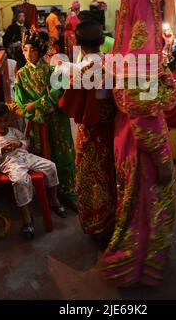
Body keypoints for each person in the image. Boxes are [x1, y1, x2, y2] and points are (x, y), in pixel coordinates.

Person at [102, 0, 176, 286]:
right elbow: (143, 107)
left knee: (133, 207)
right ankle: (137, 269)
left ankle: (133, 265)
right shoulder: (142, 40)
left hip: (127, 138)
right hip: (144, 144)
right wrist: (163, 156)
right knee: (149, 209)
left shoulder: (125, 35)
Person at [59, 20, 116, 240]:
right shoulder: (116, 65)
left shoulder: (81, 72)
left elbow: (67, 105)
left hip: (91, 134)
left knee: (90, 177)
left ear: (79, 45)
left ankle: (96, 224)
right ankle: (115, 222)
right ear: (103, 41)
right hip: (115, 132)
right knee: (112, 175)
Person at [14, 27, 76, 210]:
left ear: (40, 51)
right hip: (38, 124)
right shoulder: (21, 75)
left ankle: (69, 193)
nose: (28, 54)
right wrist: (34, 110)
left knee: (64, 156)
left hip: (58, 120)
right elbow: (20, 104)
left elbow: (60, 90)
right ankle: (49, 197)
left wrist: (37, 105)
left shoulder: (52, 69)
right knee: (43, 159)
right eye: (25, 50)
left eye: (32, 50)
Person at [0, 103, 65, 240]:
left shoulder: (13, 131)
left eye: (5, 120)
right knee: (21, 181)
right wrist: (2, 150)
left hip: (26, 157)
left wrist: (18, 144)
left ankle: (53, 199)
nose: (3, 124)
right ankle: (27, 218)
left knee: (51, 166)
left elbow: (26, 142)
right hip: (10, 163)